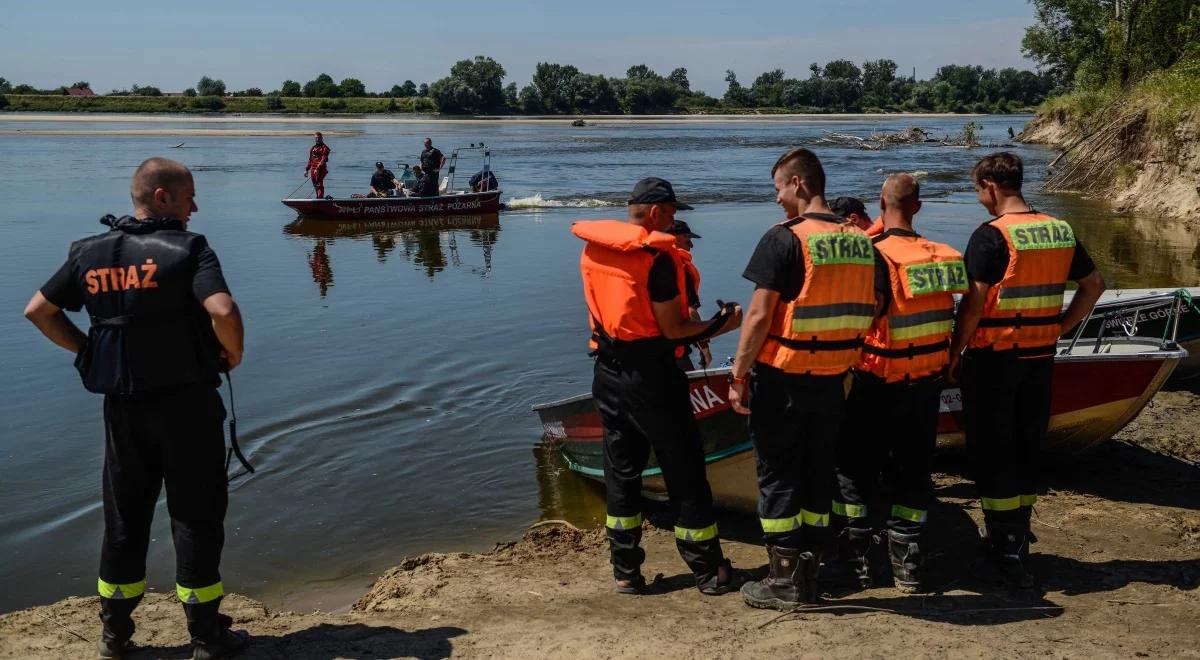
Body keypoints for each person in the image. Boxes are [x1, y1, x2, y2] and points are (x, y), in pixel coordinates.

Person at [23, 158, 249, 659]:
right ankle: (207, 637)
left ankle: (115, 635)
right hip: (186, 406)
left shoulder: (88, 252)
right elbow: (223, 311)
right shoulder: (190, 248)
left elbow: (38, 310)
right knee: (196, 515)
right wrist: (232, 353)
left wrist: (86, 350)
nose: (196, 206)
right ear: (163, 197)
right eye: (190, 195)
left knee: (125, 517)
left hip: (122, 409)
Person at [572, 177, 744, 596]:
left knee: (622, 470)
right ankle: (708, 571)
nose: (674, 220)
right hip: (652, 377)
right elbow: (673, 330)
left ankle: (625, 571)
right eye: (671, 212)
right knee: (684, 469)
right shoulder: (658, 259)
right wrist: (723, 324)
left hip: (608, 373)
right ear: (654, 213)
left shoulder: (595, 248)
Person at [948, 152, 1105, 589]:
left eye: (978, 190)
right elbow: (1094, 286)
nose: (979, 198)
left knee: (993, 450)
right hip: (1040, 358)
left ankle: (1004, 546)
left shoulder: (989, 236)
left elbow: (975, 303)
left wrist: (955, 351)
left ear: (990, 186)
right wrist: (1058, 327)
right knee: (1025, 446)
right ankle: (1019, 534)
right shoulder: (1059, 229)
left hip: (995, 360)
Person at [729, 148, 876, 610]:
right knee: (818, 478)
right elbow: (876, 307)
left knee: (778, 478)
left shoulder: (785, 238)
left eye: (778, 187)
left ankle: (783, 581)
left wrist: (738, 373)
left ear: (799, 183)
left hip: (785, 379)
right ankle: (814, 572)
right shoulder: (861, 241)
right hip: (835, 379)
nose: (776, 199)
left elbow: (757, 316)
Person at [830, 174, 966, 594]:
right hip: (926, 381)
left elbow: (857, 318)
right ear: (918, 207)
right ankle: (908, 564)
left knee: (853, 469)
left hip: (875, 380)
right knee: (913, 471)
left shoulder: (873, 255)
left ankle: (858, 561)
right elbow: (961, 311)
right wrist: (953, 358)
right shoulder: (941, 255)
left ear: (880, 203)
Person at [665, 219, 712, 371]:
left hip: (646, 345)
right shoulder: (681, 268)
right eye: (688, 239)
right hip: (673, 348)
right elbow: (690, 312)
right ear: (675, 238)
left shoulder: (653, 261)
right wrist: (704, 349)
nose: (691, 245)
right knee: (688, 389)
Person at [305, 132, 331, 199]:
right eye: (316, 138)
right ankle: (318, 197)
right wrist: (307, 170)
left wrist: (318, 168)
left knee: (319, 183)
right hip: (313, 169)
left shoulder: (325, 148)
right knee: (315, 184)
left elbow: (324, 159)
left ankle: (320, 198)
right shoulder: (312, 148)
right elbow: (310, 159)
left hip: (321, 169)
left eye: (319, 138)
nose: (317, 139)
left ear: (322, 138)